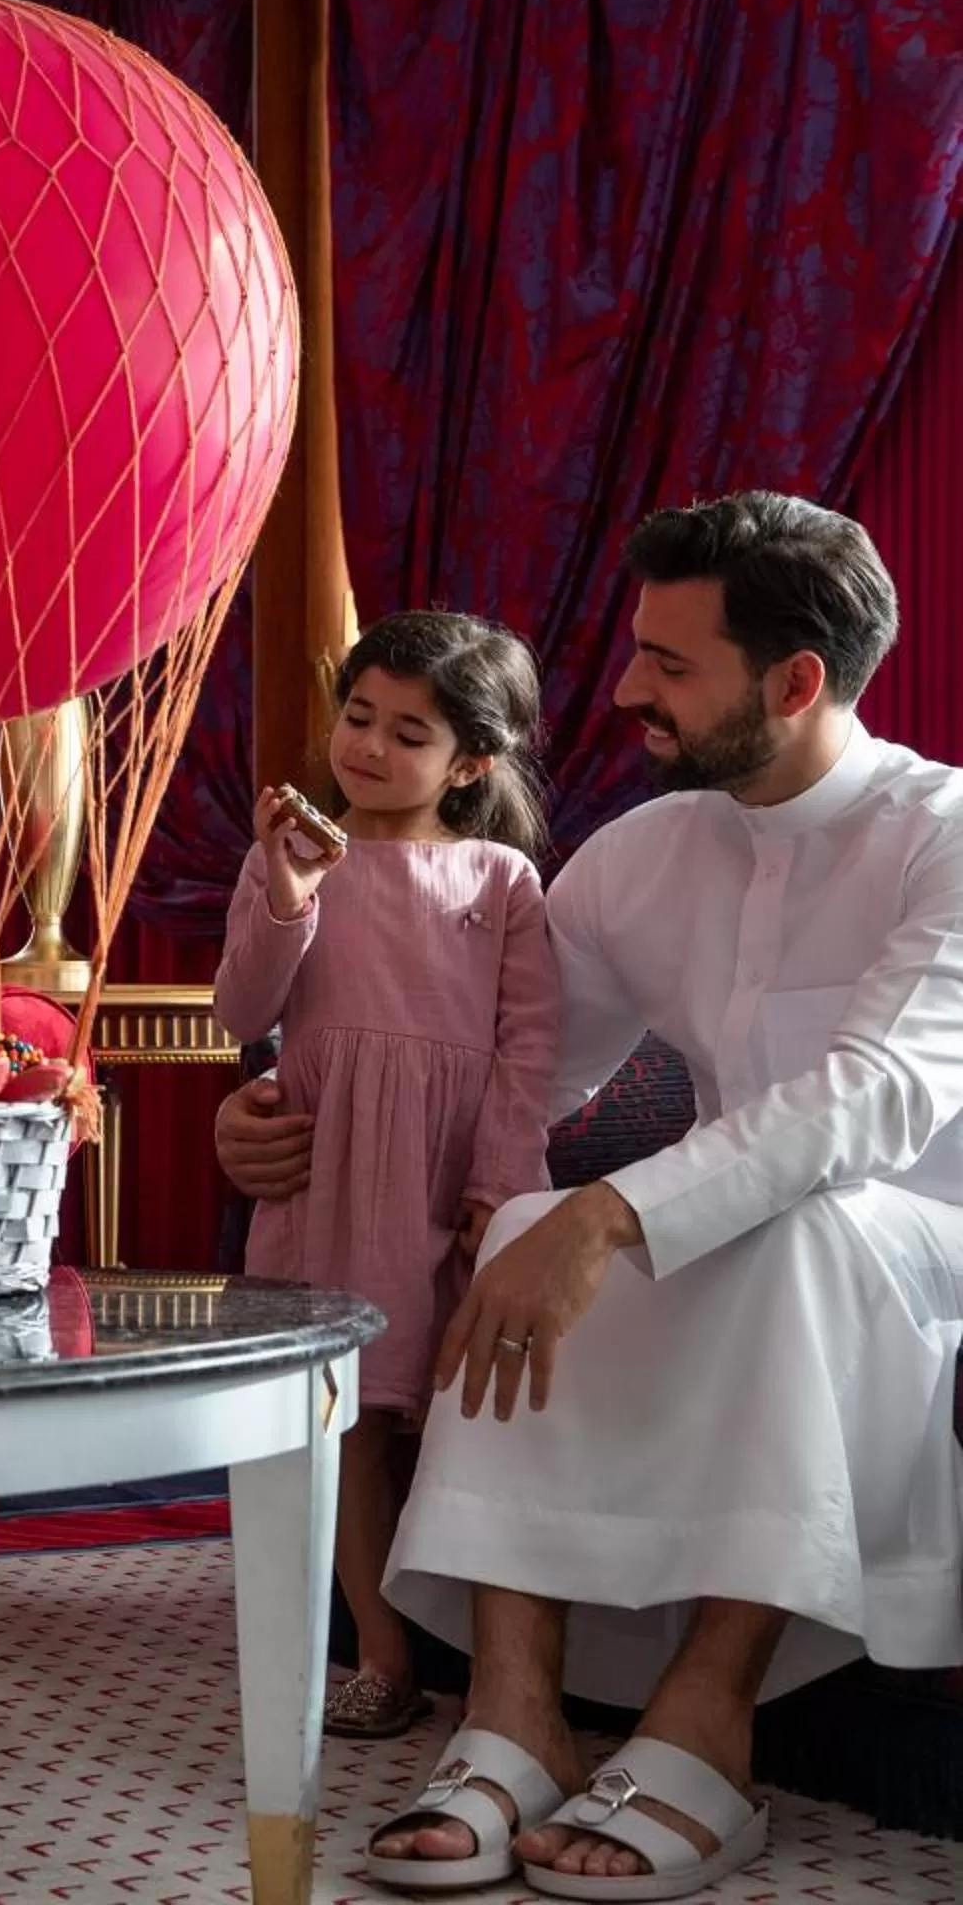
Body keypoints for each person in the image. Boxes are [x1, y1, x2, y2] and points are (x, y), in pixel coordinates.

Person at [217, 492, 963, 1900]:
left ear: (794, 683)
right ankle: (515, 1708)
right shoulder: (643, 857)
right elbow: (501, 1070)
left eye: (670, 664)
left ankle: (709, 1721)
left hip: (917, 1237)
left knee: (755, 1222)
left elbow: (879, 1099)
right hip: (735, 1235)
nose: (624, 689)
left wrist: (612, 1214)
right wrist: (262, 1112)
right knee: (516, 1215)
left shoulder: (943, 832)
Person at [210, 612, 563, 1746]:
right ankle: (379, 1649)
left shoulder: (500, 878)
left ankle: (482, 1644)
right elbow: (241, 1009)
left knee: (460, 1408)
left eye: (407, 732)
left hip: (449, 1173)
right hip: (328, 1177)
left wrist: (502, 1179)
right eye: (358, 715)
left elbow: (530, 1046)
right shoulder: (298, 863)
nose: (366, 744)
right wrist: (287, 886)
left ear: (470, 763)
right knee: (344, 1418)